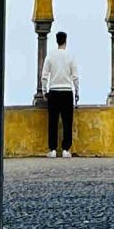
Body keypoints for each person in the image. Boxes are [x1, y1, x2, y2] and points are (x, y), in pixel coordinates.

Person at [43, 29, 79, 157]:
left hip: (53, 91)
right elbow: (75, 76)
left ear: (57, 41)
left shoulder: (51, 55)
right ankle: (65, 149)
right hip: (66, 92)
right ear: (65, 41)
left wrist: (44, 90)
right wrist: (76, 92)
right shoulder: (70, 56)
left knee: (53, 122)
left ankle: (52, 149)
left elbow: (44, 75)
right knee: (67, 122)